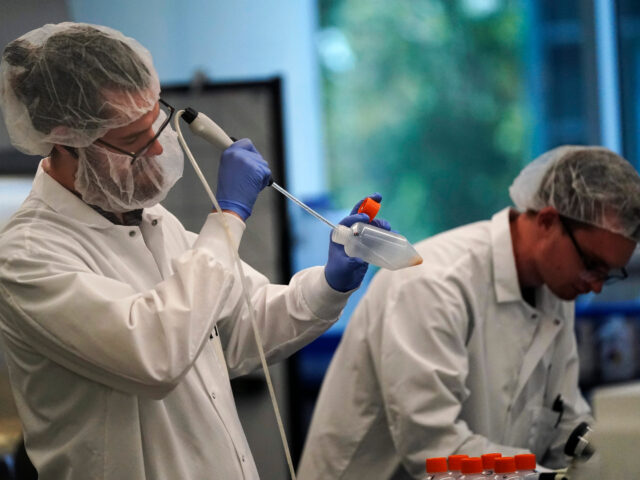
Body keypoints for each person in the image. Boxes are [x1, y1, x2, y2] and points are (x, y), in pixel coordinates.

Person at [0, 22, 390, 480]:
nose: (157, 151)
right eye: (133, 143)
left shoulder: (151, 219)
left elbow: (247, 329)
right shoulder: (27, 255)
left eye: (157, 124)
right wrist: (228, 219)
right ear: (65, 140)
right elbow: (155, 356)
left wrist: (328, 286)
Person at [298, 146, 640, 480]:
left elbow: (565, 422)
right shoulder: (433, 284)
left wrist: (611, 455)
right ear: (549, 221)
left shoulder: (556, 287)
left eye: (609, 274)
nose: (596, 286)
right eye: (593, 265)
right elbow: (438, 452)